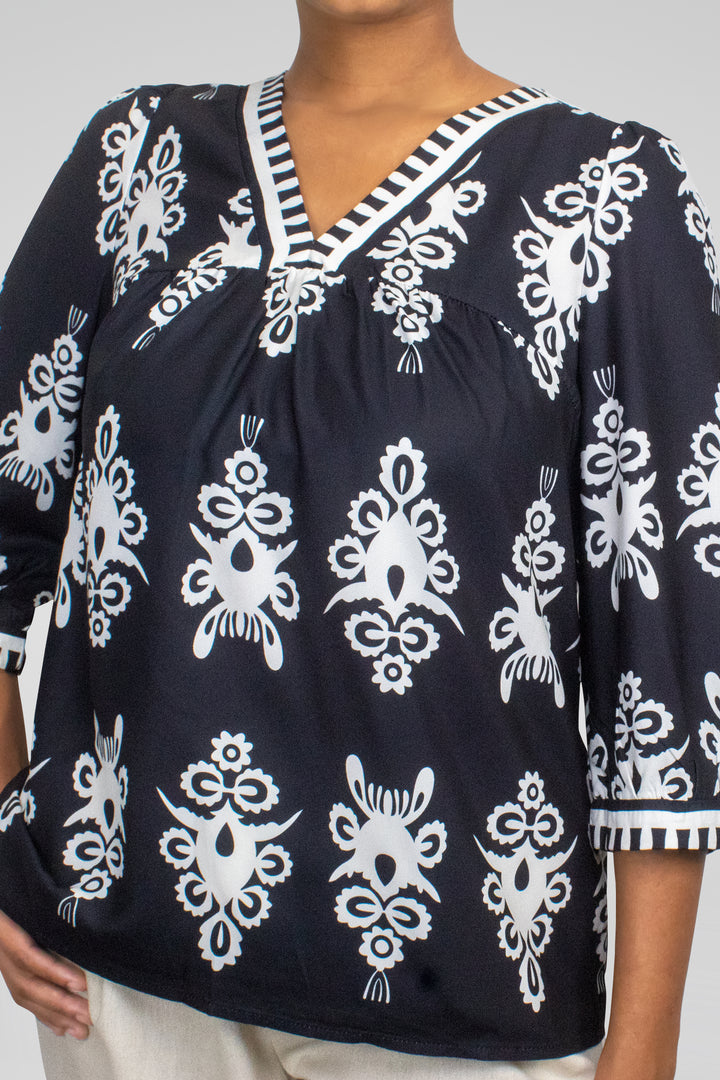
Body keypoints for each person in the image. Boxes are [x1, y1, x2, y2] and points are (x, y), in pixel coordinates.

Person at [0, 0, 717, 1077]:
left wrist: (647, 1041)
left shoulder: (608, 195)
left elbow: (664, 644)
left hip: (464, 987)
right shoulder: (136, 161)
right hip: (120, 985)